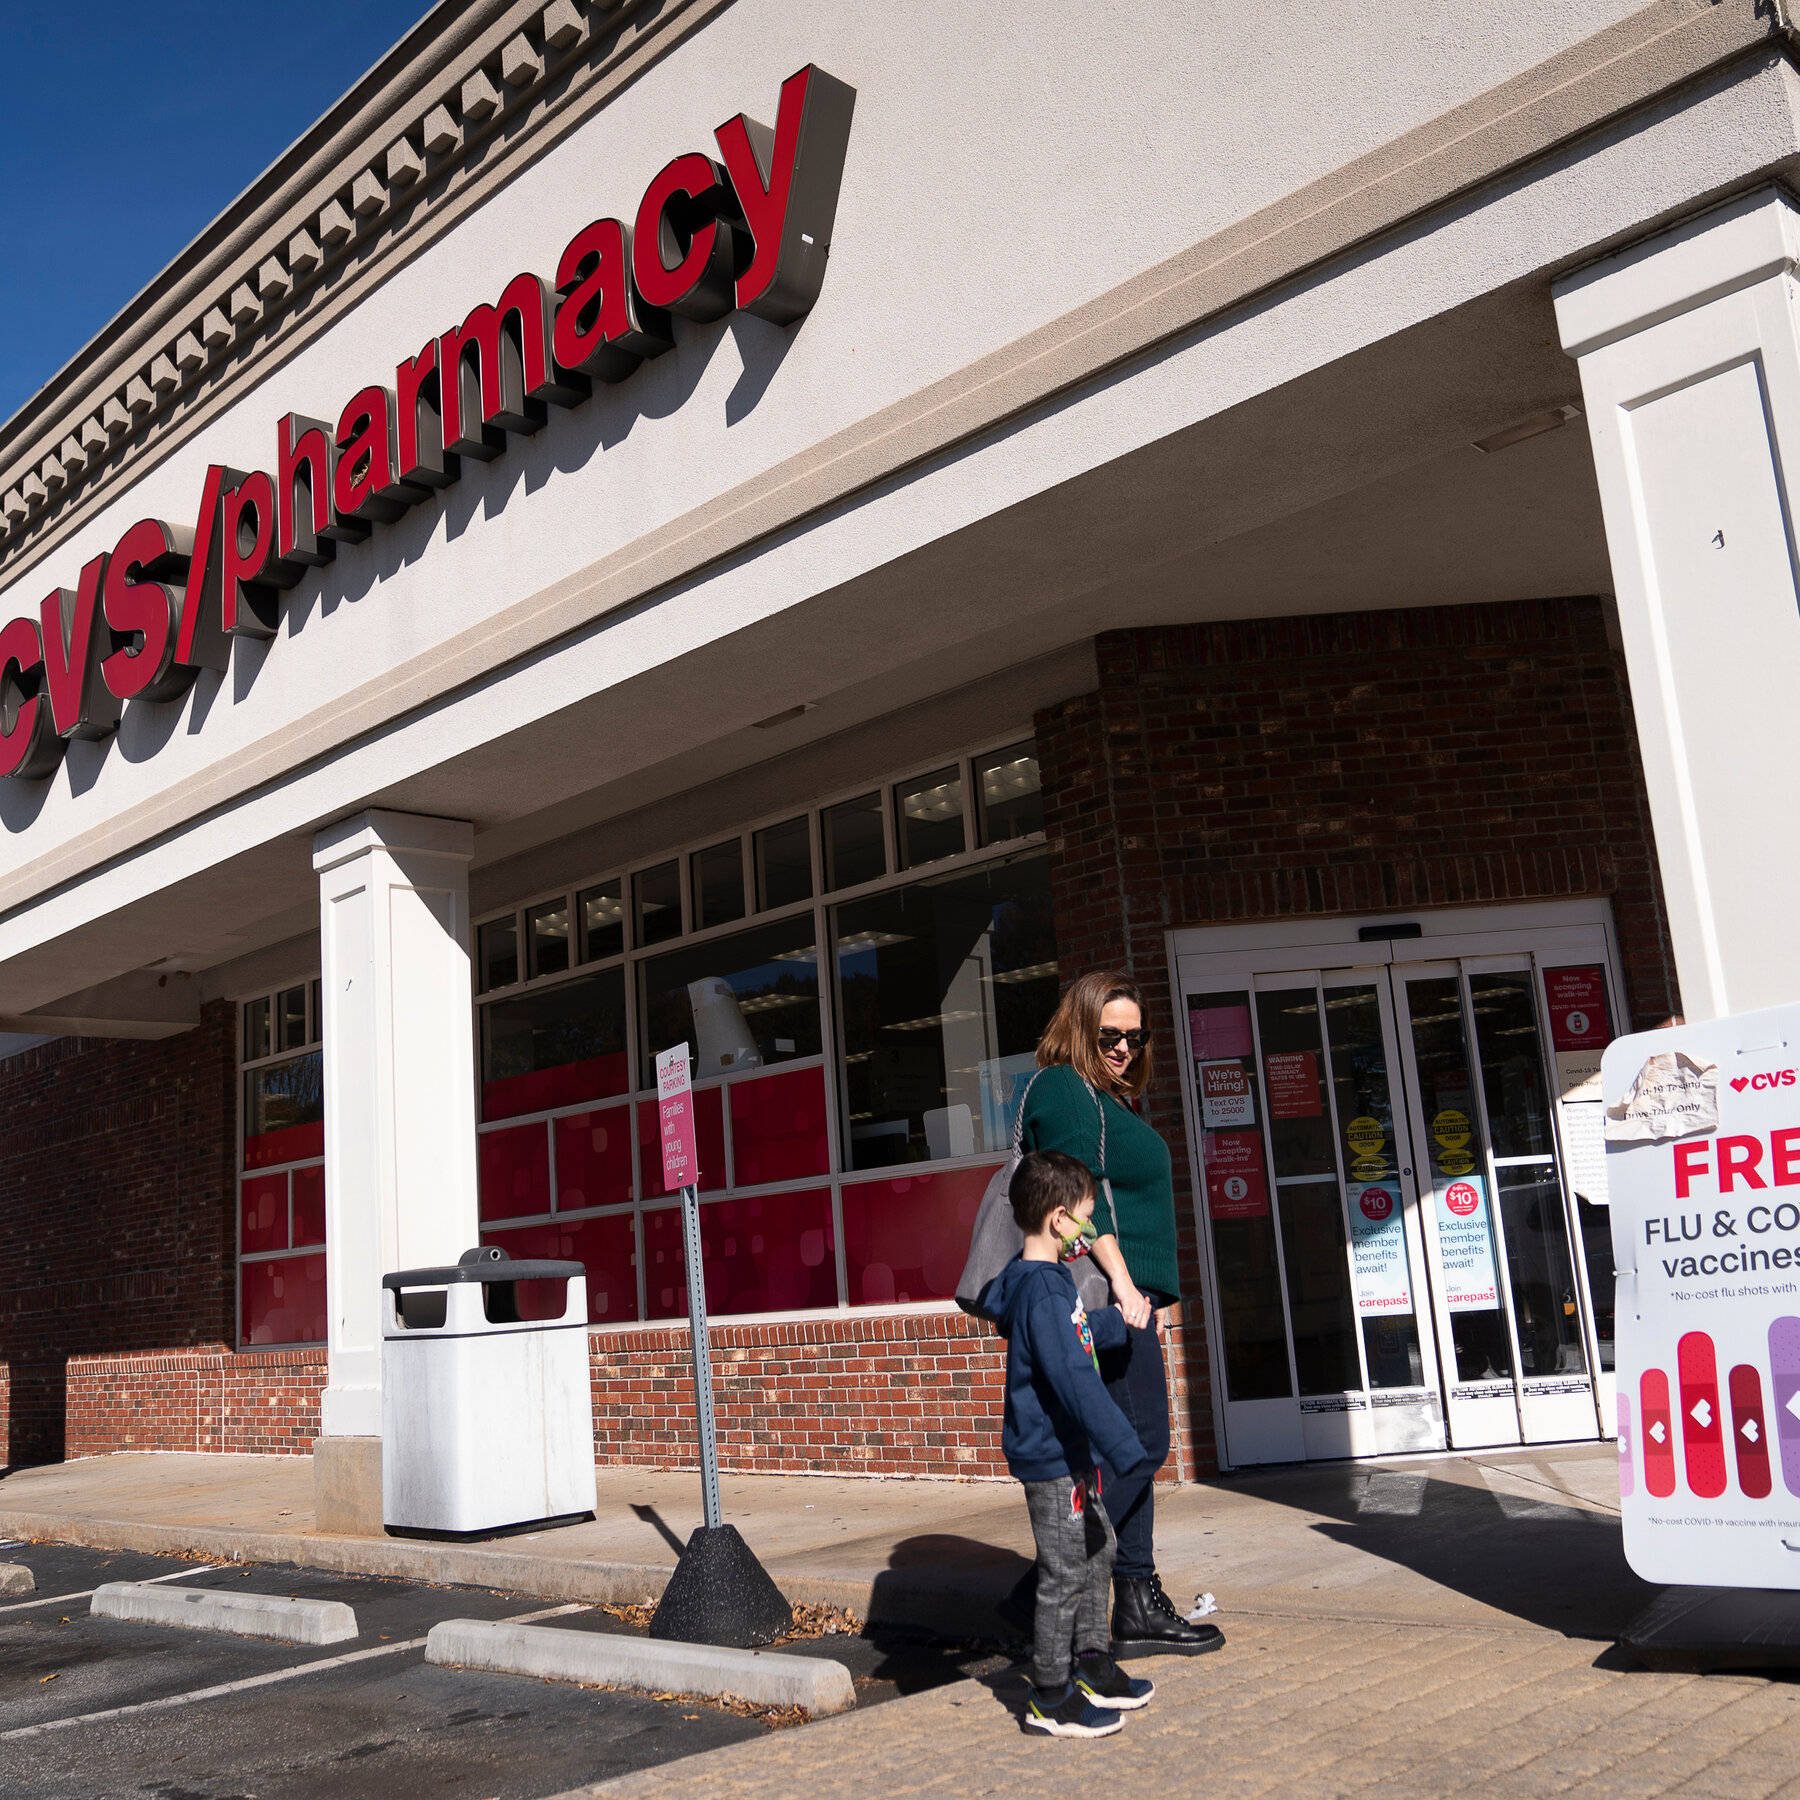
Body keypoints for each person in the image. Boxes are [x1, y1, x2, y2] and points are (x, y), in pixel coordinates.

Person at [1018, 970, 1224, 1655]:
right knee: (1137, 1444)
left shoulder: (1112, 1099)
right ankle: (1088, 1587)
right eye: (1110, 1036)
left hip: (1126, 1300)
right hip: (1106, 1300)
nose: (1125, 1049)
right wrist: (1128, 1288)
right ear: (1080, 1028)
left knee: (1130, 1445)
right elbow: (1081, 1195)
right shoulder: (1062, 1087)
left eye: (1136, 1037)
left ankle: (1117, 1591)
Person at [989, 1150, 1156, 1738]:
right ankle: (1050, 1696)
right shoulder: (1040, 1289)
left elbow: (1075, 1336)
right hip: (1053, 1456)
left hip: (1072, 1453)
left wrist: (1121, 1322)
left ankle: (1091, 1664)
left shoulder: (1050, 1285)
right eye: (1086, 1216)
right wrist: (1123, 1442)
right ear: (1060, 1219)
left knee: (1099, 1548)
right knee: (1063, 1571)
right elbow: (1070, 1374)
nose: (1090, 1227)